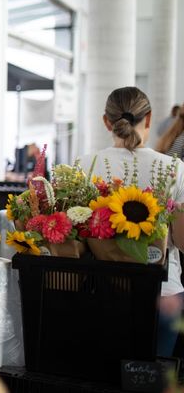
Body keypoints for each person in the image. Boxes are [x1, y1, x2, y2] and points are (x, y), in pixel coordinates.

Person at [79, 87, 184, 357]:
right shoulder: (175, 168)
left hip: (100, 290)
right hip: (163, 295)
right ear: (148, 119)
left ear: (107, 121)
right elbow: (182, 242)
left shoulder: (84, 165)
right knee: (153, 376)